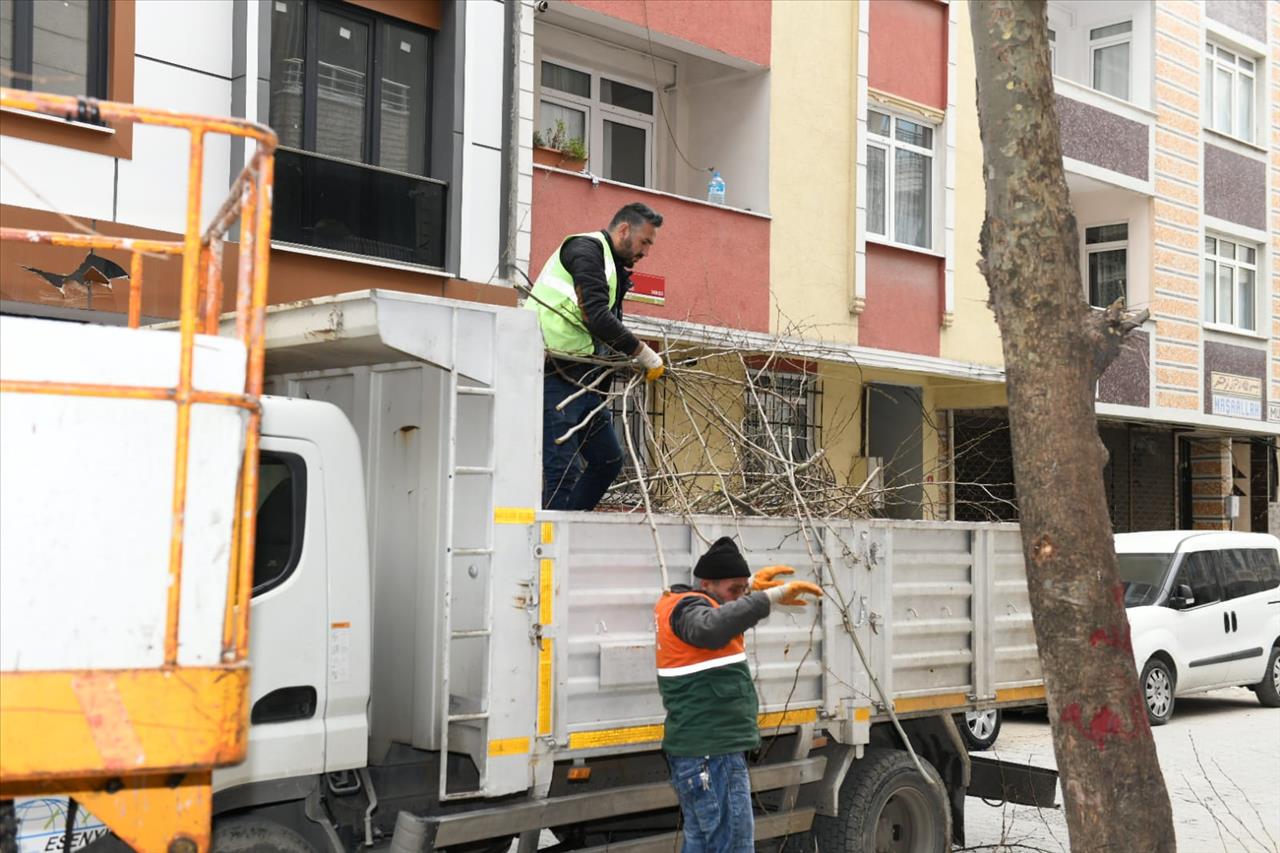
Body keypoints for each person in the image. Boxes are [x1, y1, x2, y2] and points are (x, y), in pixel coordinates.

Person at [653, 537, 822, 850]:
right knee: (733, 846)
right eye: (735, 589)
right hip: (712, 754)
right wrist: (765, 599)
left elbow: (722, 619)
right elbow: (710, 627)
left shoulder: (699, 606)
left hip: (702, 752)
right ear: (707, 584)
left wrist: (752, 594)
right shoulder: (689, 608)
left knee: (703, 844)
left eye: (744, 589)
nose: (739, 598)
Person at [526, 202, 666, 511]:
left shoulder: (612, 266)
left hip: (585, 379)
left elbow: (605, 326)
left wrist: (626, 361)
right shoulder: (585, 249)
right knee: (560, 469)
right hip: (554, 371)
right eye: (645, 242)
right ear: (624, 229)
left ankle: (570, 524)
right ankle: (551, 546)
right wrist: (643, 354)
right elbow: (596, 315)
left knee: (609, 460)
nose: (646, 252)